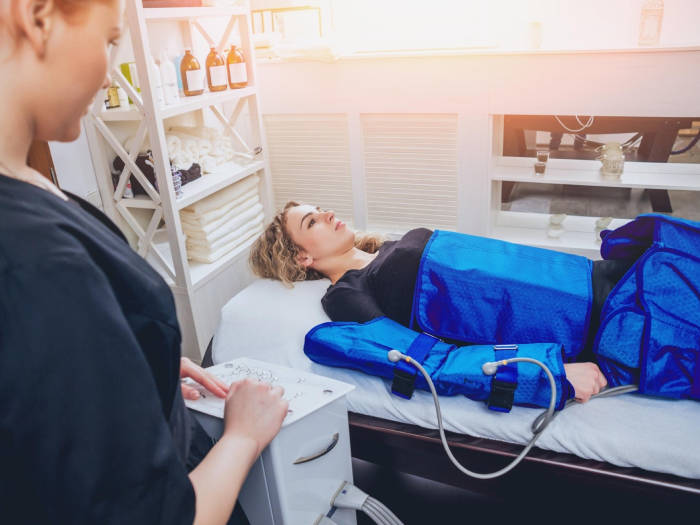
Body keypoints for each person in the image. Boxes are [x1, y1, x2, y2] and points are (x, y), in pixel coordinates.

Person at [0, 1, 287, 523]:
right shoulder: (36, 261)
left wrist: (135, 360)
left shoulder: (26, 185)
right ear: (37, 17)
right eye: (110, 40)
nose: (111, 74)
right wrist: (244, 436)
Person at [250, 201, 637, 403]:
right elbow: (425, 361)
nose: (328, 213)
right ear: (302, 258)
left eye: (319, 210)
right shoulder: (346, 296)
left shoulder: (385, 249)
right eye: (312, 221)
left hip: (594, 275)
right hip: (601, 323)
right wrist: (553, 374)